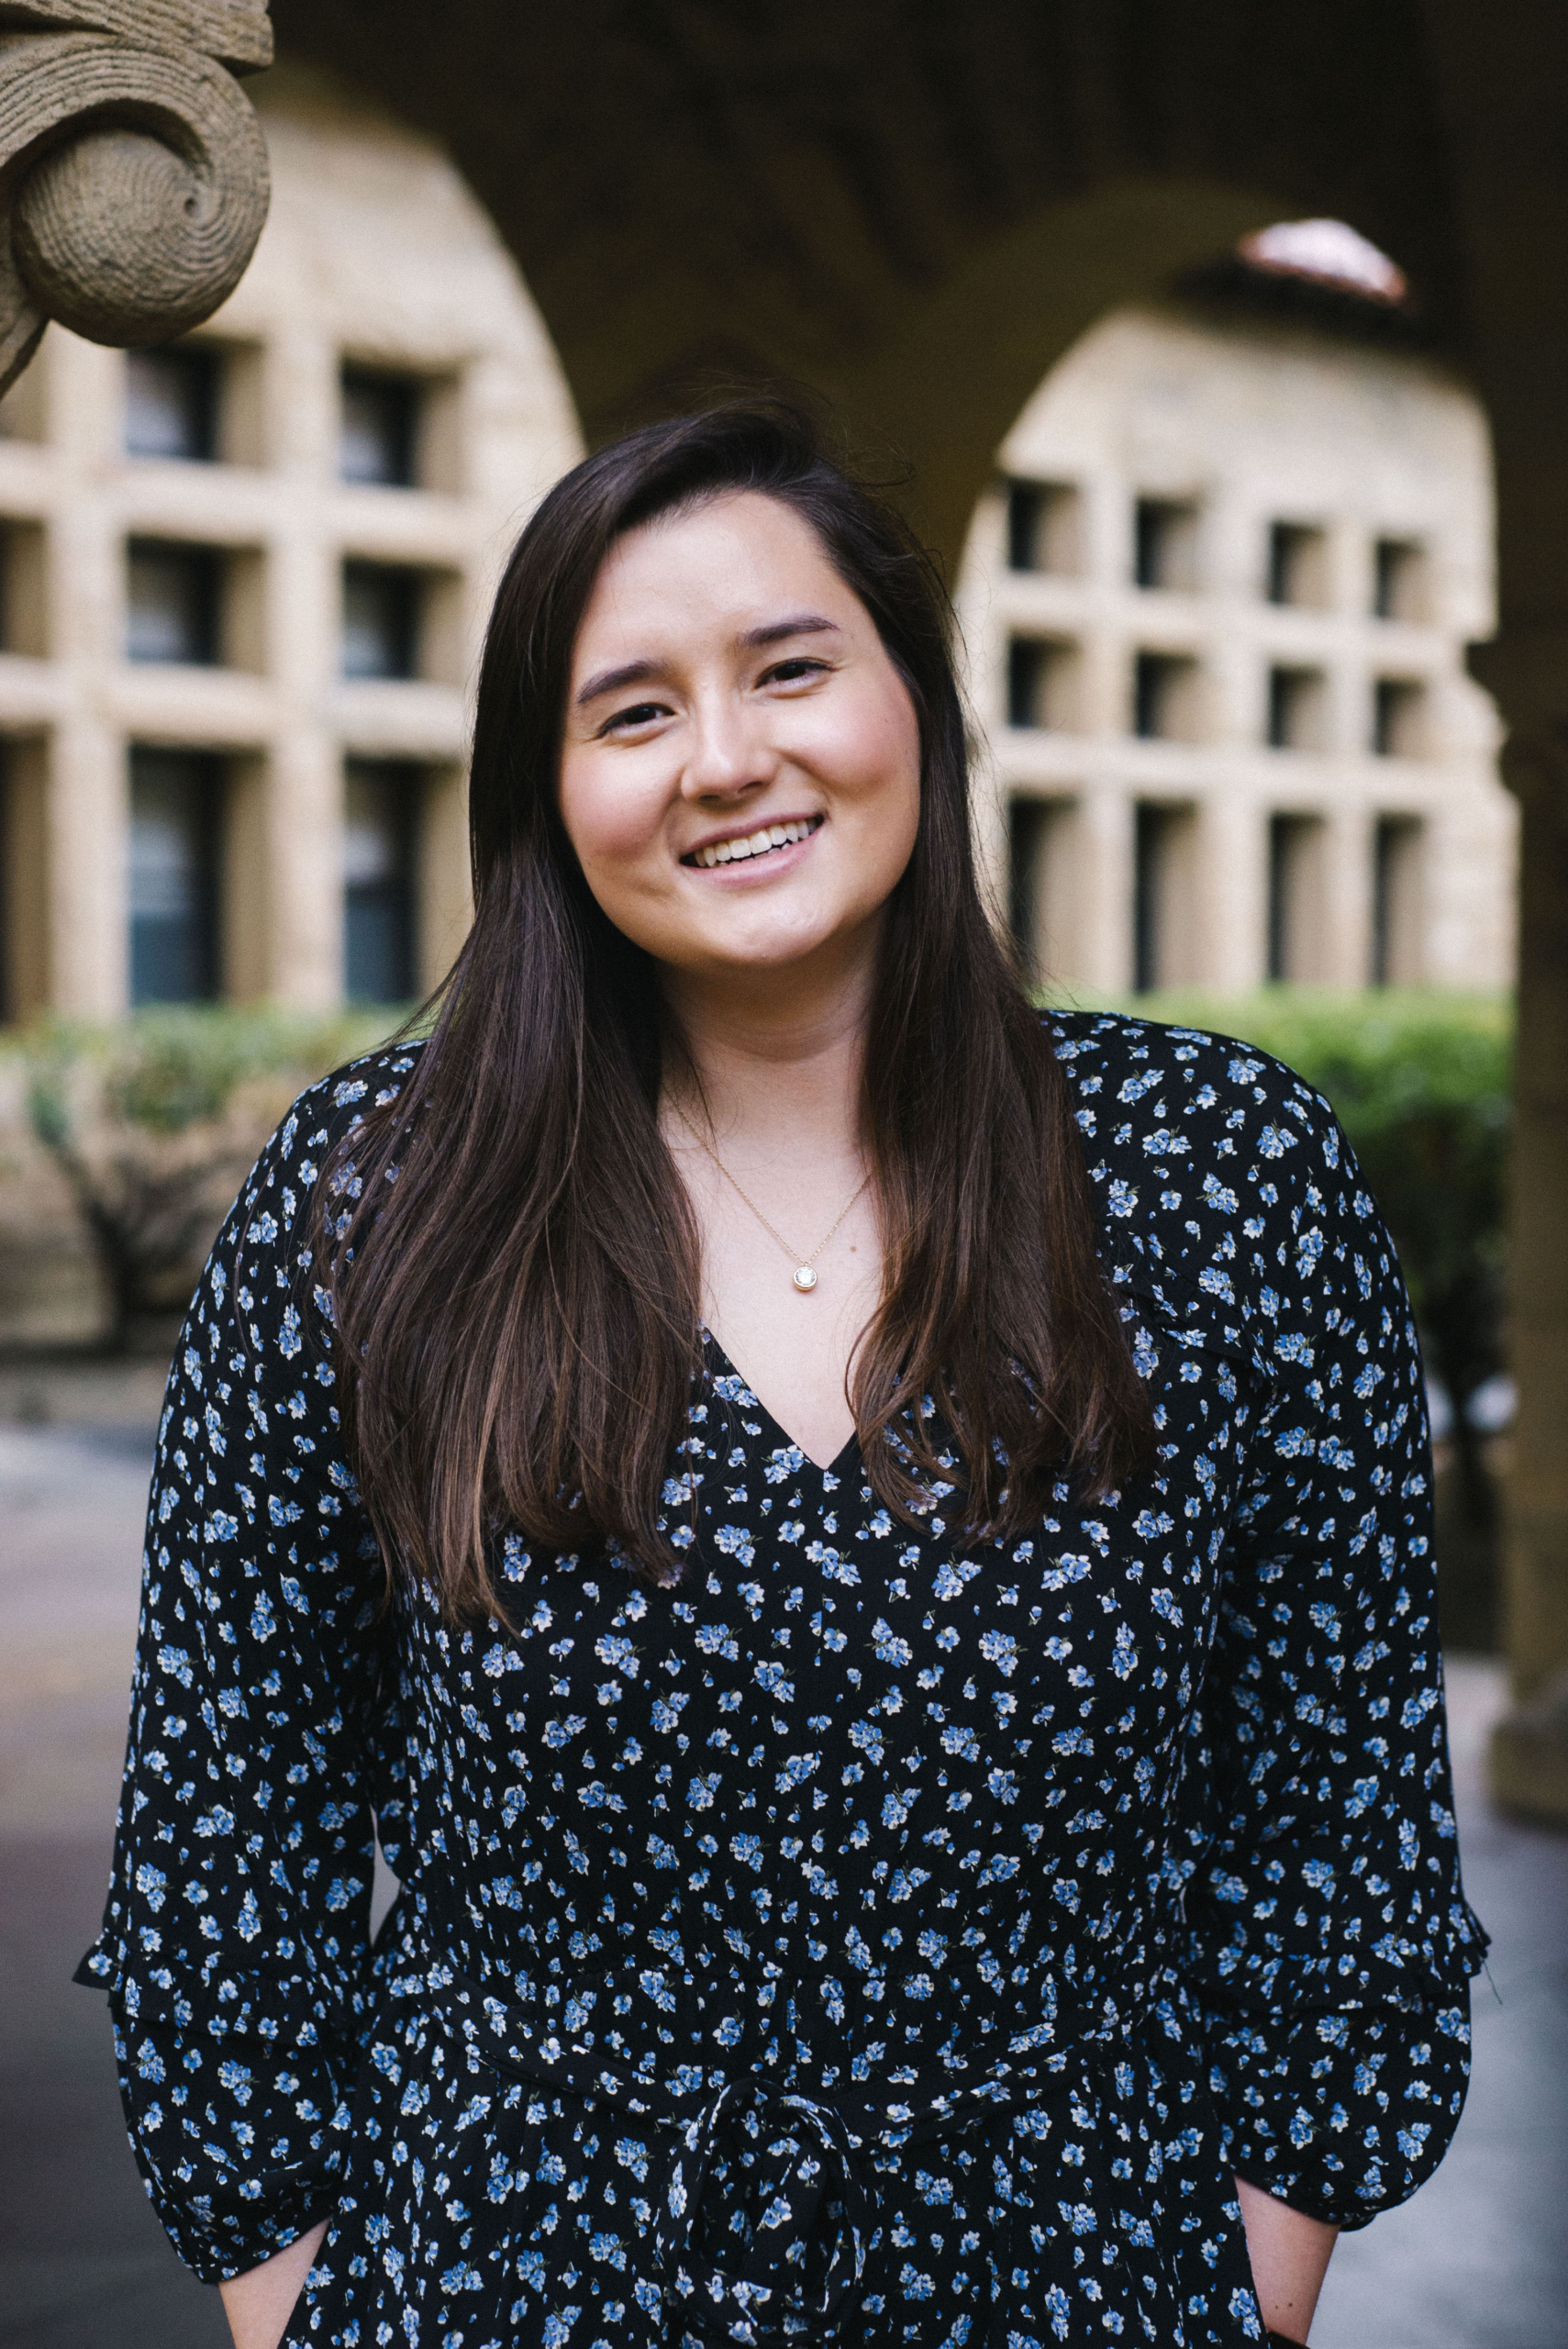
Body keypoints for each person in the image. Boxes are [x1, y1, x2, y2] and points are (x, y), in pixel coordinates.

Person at [79, 402, 1485, 2349]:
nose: (726, 758)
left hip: (1079, 2269)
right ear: (546, 788)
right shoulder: (373, 1198)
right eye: (630, 709)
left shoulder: (1217, 1169)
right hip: (511, 2272)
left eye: (789, 666)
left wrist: (1262, 2256)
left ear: (915, 694)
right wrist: (287, 2292)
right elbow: (227, 1840)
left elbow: (1340, 1808)